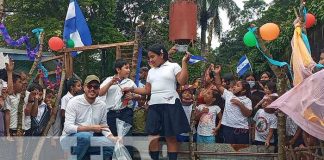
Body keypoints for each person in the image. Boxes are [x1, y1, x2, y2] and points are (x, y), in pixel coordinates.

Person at [123, 44, 190, 160]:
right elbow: (147, 90)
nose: (150, 60)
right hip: (154, 106)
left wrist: (184, 62)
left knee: (170, 137)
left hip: (171, 104)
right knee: (152, 136)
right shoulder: (151, 71)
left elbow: (182, 81)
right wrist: (132, 89)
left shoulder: (174, 66)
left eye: (152, 57)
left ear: (161, 55)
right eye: (149, 58)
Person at [61, 75, 118, 160]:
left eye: (95, 87)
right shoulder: (73, 102)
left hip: (90, 140)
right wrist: (90, 128)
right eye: (89, 86)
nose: (92, 89)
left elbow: (103, 125)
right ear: (84, 88)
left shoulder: (102, 105)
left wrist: (112, 138)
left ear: (99, 89)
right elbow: (68, 128)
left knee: (111, 146)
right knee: (85, 136)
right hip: (69, 139)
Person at [213, 65, 252, 144]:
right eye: (234, 85)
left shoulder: (247, 100)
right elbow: (218, 85)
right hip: (228, 128)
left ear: (244, 90)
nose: (234, 87)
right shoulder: (229, 94)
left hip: (242, 129)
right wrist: (217, 74)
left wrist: (240, 104)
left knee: (241, 151)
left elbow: (248, 114)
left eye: (237, 86)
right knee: (228, 150)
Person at [99, 59, 138, 136]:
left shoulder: (130, 82)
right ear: (118, 69)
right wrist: (110, 83)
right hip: (111, 114)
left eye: (129, 68)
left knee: (126, 138)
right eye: (126, 68)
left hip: (126, 113)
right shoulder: (108, 80)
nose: (129, 70)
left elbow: (139, 96)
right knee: (112, 137)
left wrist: (132, 96)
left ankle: (127, 148)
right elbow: (100, 93)